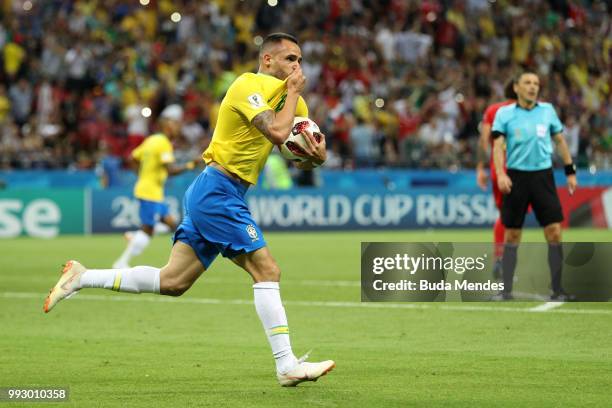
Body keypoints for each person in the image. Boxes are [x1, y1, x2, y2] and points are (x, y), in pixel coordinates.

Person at [43, 33, 334, 387]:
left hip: (225, 192)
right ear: (268, 60)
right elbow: (275, 132)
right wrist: (292, 94)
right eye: (290, 59)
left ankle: (81, 277)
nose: (297, 67)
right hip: (218, 190)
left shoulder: (296, 104)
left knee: (174, 281)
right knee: (267, 271)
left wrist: (315, 158)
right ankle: (286, 364)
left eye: (300, 60)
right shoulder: (247, 85)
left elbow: (294, 149)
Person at [491, 71, 577, 301]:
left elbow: (560, 141)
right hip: (516, 178)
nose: (533, 87)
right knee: (512, 235)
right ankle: (506, 291)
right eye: (527, 83)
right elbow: (497, 146)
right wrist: (500, 174)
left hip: (543, 177)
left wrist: (570, 171)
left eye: (536, 83)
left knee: (554, 232)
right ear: (516, 87)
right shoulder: (504, 114)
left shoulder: (547, 111)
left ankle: (557, 290)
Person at [112, 104, 195, 268]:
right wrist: (191, 165)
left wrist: (141, 175)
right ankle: (121, 262)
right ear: (167, 127)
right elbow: (170, 170)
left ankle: (135, 236)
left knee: (171, 224)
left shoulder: (151, 140)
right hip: (149, 193)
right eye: (175, 125)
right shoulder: (163, 143)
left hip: (152, 191)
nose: (177, 129)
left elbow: (132, 158)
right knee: (149, 230)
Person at [475, 81, 516, 279]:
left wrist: (480, 168)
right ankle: (502, 261)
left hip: (497, 169)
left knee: (506, 216)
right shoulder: (528, 112)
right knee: (511, 218)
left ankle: (501, 260)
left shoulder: (492, 110)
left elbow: (484, 141)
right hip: (516, 169)